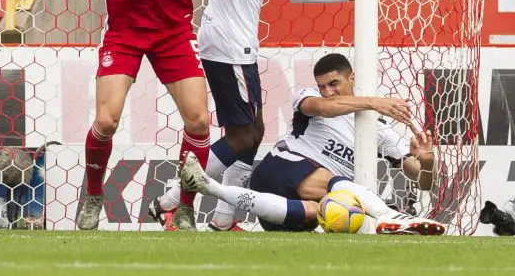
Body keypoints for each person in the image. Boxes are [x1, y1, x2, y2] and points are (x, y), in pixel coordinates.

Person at [148, 0, 354, 231]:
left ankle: (223, 221)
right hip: (225, 45)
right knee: (244, 135)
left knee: (254, 131)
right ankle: (171, 201)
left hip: (242, 47)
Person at [59, 0, 255, 231]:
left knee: (198, 121)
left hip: (173, 31)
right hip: (125, 32)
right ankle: (94, 194)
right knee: (106, 120)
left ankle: (182, 208)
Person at [180, 53, 445, 235]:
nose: (327, 91)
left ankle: (209, 186)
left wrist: (427, 161)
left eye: (334, 83)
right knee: (334, 184)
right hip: (280, 170)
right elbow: (323, 107)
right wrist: (374, 102)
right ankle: (387, 215)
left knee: (326, 210)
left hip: (290, 211)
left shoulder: (379, 129)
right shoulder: (307, 97)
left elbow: (423, 182)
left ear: (351, 77)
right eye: (323, 86)